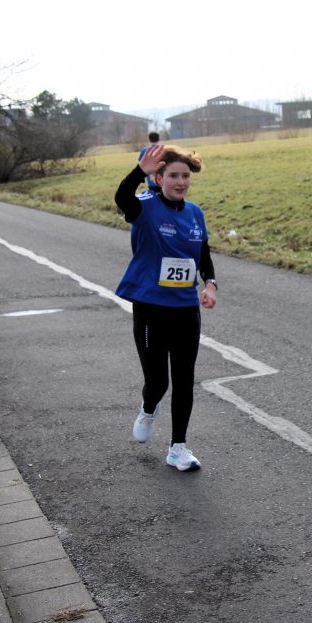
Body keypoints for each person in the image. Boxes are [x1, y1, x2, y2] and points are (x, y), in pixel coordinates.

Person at [115, 144, 218, 472]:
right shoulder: (144, 207)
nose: (181, 182)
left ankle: (178, 448)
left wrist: (210, 283)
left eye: (185, 176)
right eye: (173, 175)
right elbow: (122, 200)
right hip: (150, 306)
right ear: (158, 178)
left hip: (186, 308)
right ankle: (148, 407)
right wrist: (137, 173)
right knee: (158, 381)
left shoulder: (195, 213)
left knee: (185, 378)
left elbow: (203, 254)